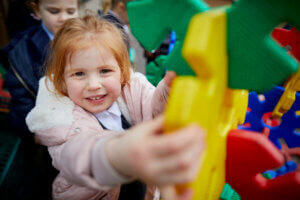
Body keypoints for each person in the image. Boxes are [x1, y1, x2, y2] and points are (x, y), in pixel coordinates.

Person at [26, 15, 206, 200]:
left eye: (104, 71)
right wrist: (115, 154)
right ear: (62, 80)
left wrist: (171, 91)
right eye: (79, 74)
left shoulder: (131, 89)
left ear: (121, 71)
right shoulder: (59, 118)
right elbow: (77, 155)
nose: (94, 84)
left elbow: (155, 111)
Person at [0, 0, 78, 198]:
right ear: (36, 11)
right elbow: (20, 109)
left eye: (71, 11)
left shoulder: (85, 39)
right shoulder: (22, 53)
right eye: (54, 11)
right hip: (46, 150)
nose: (64, 18)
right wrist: (39, 131)